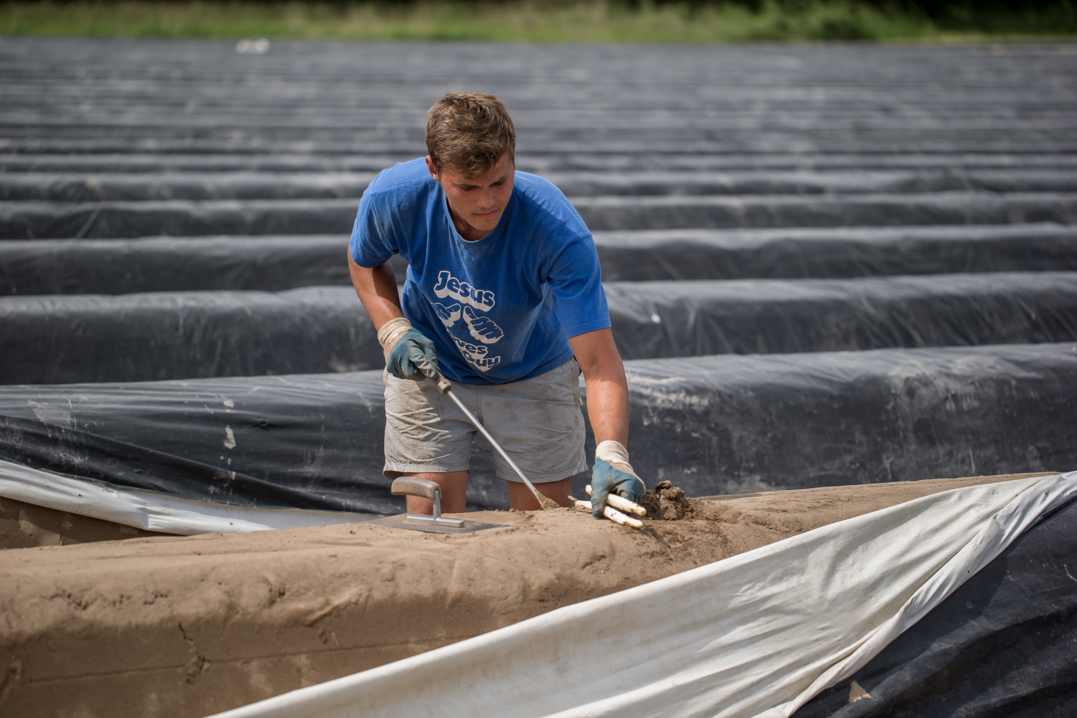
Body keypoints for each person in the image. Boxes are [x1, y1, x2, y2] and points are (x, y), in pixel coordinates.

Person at [348, 91, 644, 519]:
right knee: (431, 522)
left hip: (533, 367)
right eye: (467, 187)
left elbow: (598, 363)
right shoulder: (395, 197)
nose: (487, 201)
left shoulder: (556, 230)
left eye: (499, 182)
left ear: (513, 161)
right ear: (434, 170)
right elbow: (364, 260)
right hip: (433, 367)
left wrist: (613, 452)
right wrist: (392, 327)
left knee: (544, 525)